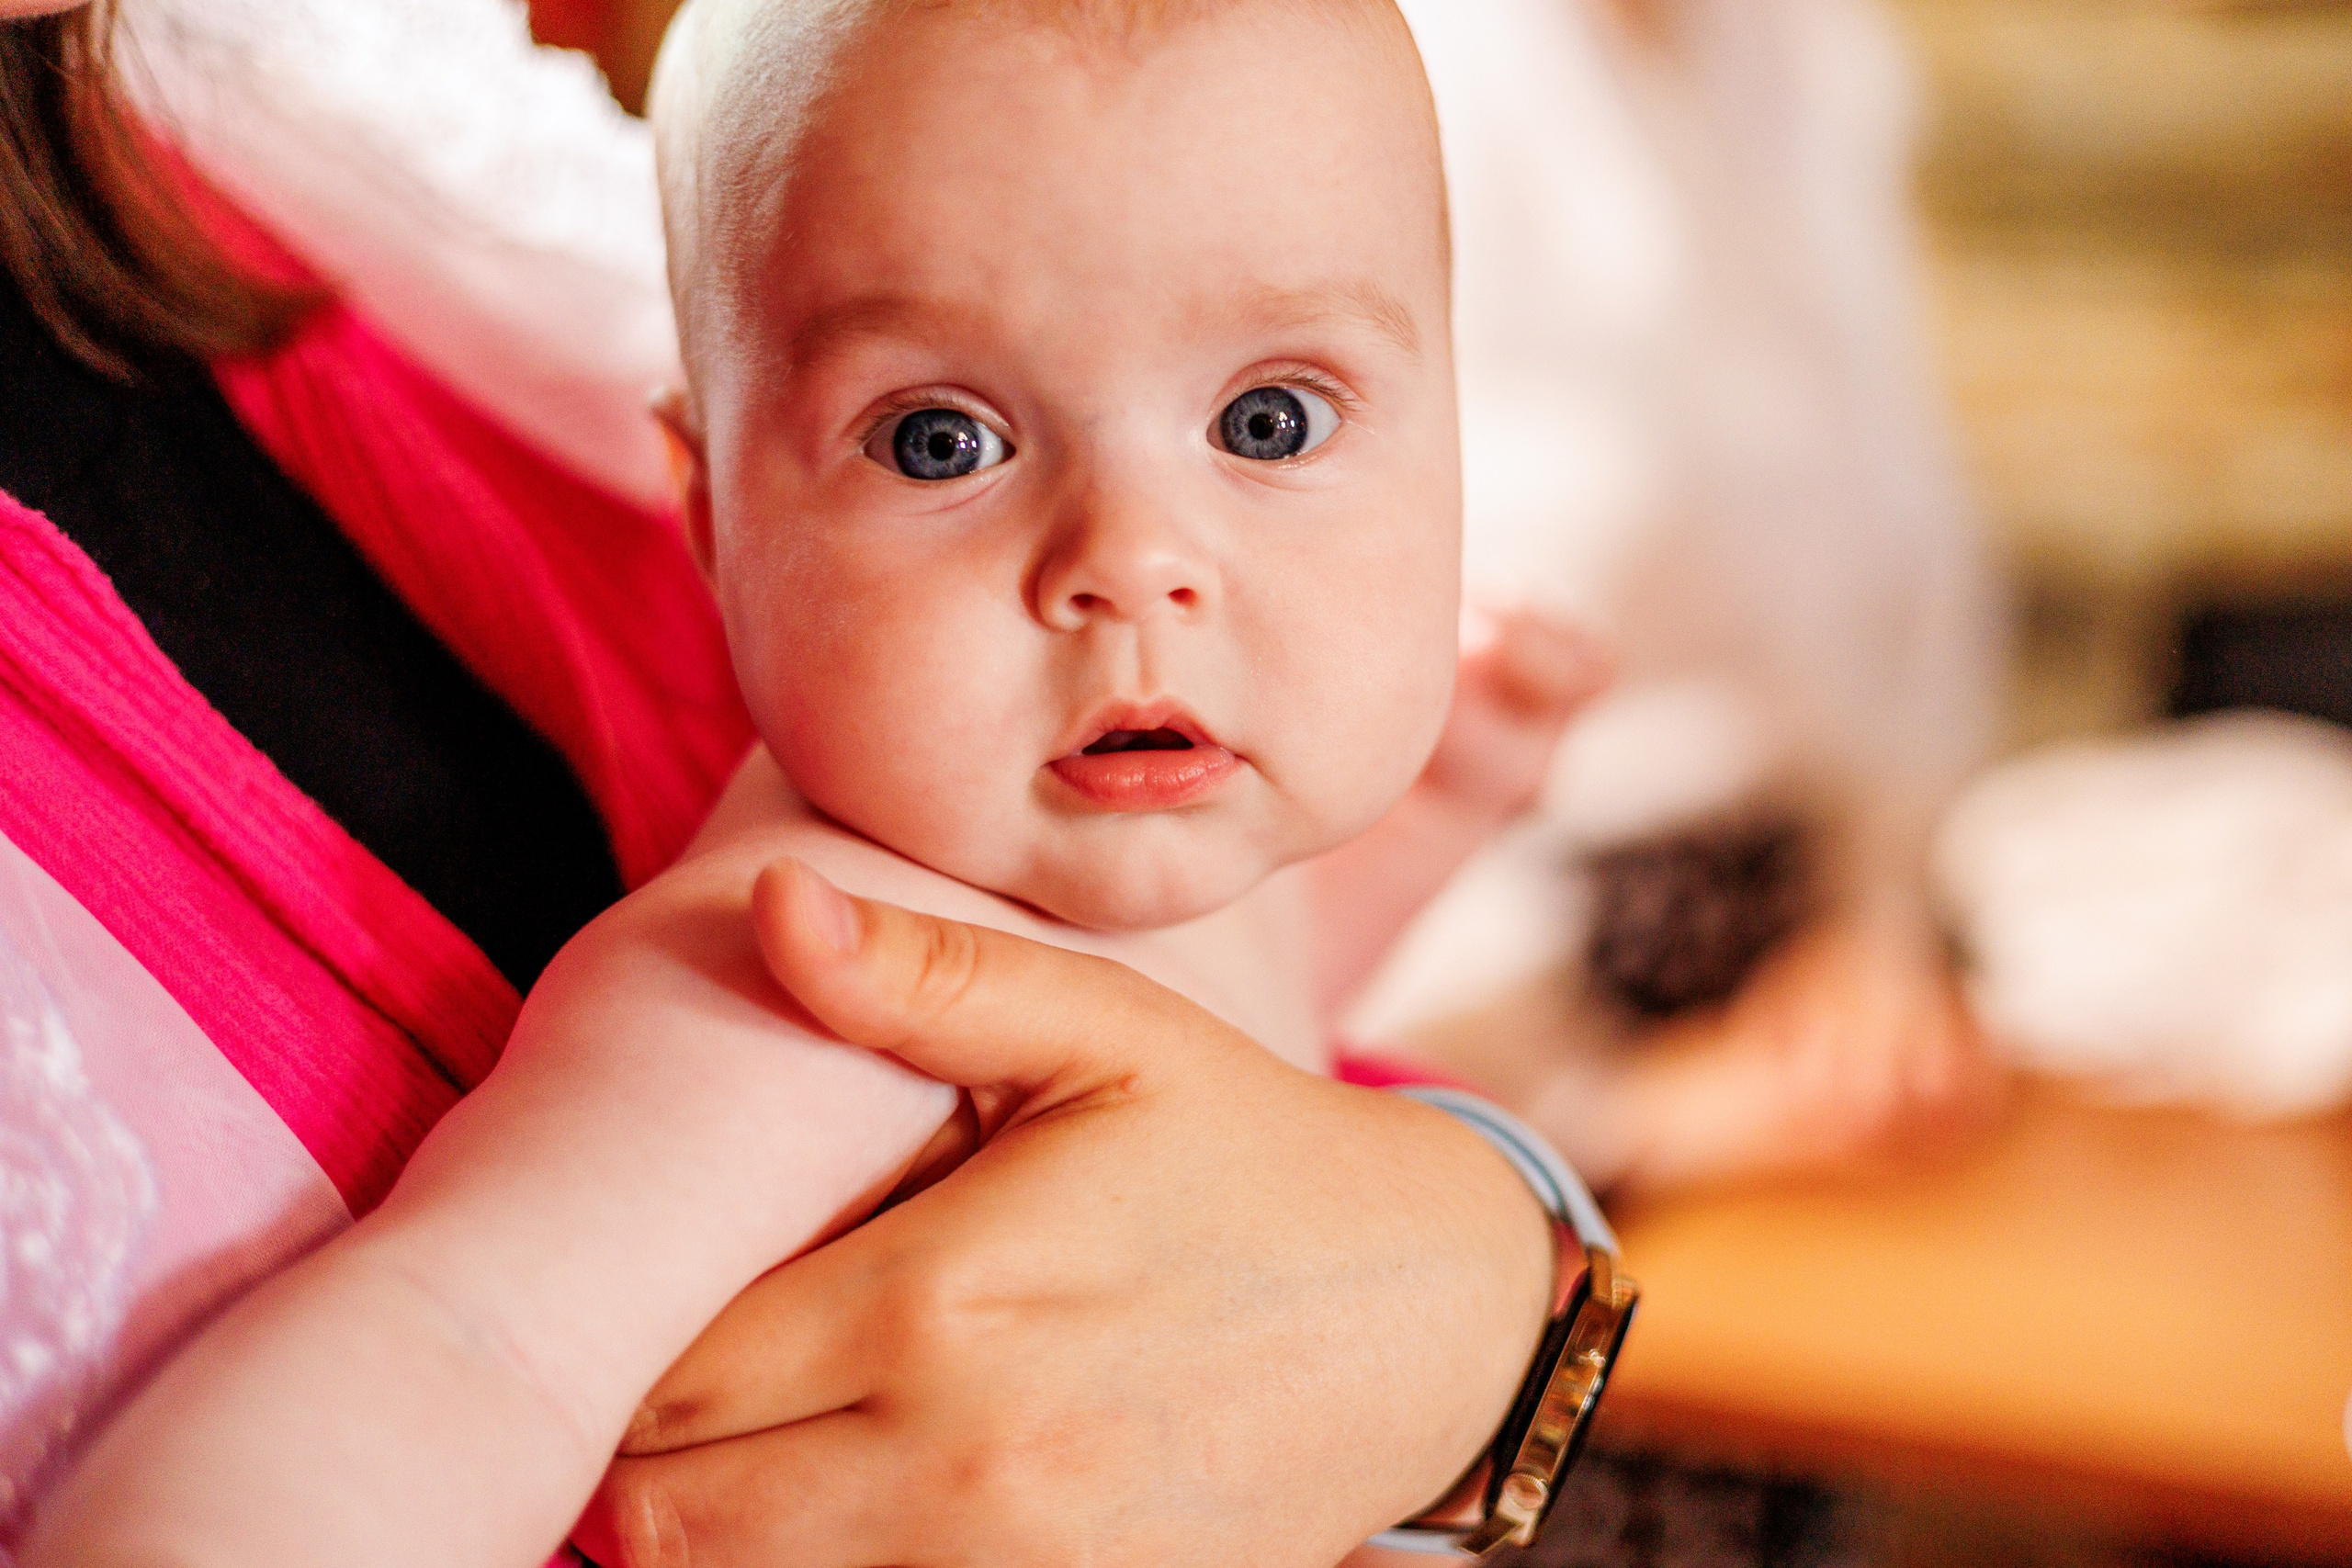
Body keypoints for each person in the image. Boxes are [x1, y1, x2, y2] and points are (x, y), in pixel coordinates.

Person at [0, 1, 1589, 1561]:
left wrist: (1430, 843)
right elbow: (458, 1346)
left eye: (1268, 420)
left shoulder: (1129, 832)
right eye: (941, 444)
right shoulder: (791, 986)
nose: (1133, 562)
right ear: (713, 523)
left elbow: (1235, 1063)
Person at [1357, 0, 2008, 1193]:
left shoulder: (1805, 55)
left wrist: (1869, 927)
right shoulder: (1385, 69)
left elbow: (1903, 557)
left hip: (1782, 986)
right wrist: (1598, 1112)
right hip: (1464, 1052)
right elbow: (1317, 669)